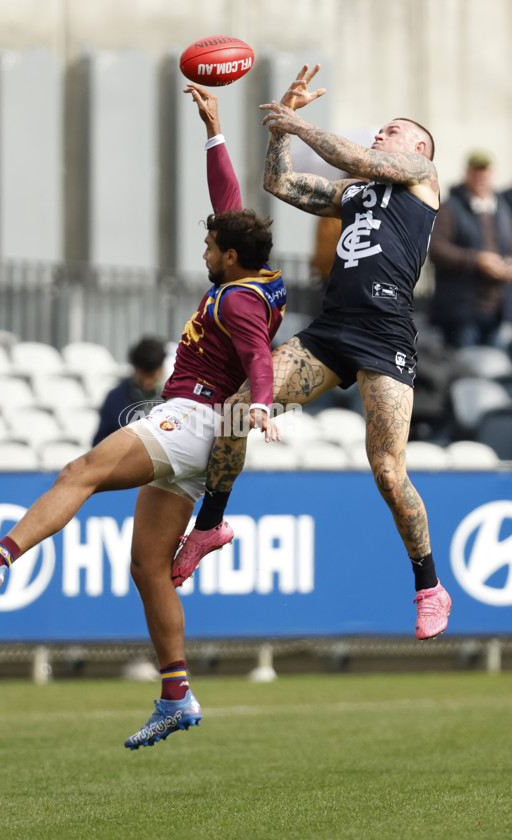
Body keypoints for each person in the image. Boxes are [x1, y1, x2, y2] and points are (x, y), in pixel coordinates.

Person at [0, 83, 286, 748]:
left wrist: (261, 401)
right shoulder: (248, 279)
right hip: (196, 439)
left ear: (230, 256)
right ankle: (177, 693)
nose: (203, 252)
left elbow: (261, 356)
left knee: (81, 468)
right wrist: (214, 130)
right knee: (148, 565)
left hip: (193, 423)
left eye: (210, 247)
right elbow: (227, 199)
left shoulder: (236, 302)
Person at [172, 63, 452, 641]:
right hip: (331, 330)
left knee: (388, 470)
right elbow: (282, 186)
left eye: (392, 129)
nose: (382, 133)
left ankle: (429, 586)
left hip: (385, 332)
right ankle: (210, 527)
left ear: (419, 146)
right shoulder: (357, 194)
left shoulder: (420, 174)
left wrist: (298, 124)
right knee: (234, 412)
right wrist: (279, 128)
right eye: (382, 128)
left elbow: (361, 160)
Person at [428, 150, 512, 349]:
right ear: (467, 174)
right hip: (462, 311)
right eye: (476, 172)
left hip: (497, 311)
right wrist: (476, 260)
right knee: (465, 368)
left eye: (485, 172)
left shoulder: (501, 208)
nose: (480, 177)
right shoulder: (450, 208)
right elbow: (436, 249)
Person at [92, 335, 167, 445]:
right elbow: (98, 443)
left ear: (161, 370)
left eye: (152, 377)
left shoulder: (173, 399)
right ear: (135, 369)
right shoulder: (115, 398)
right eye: (143, 376)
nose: (147, 382)